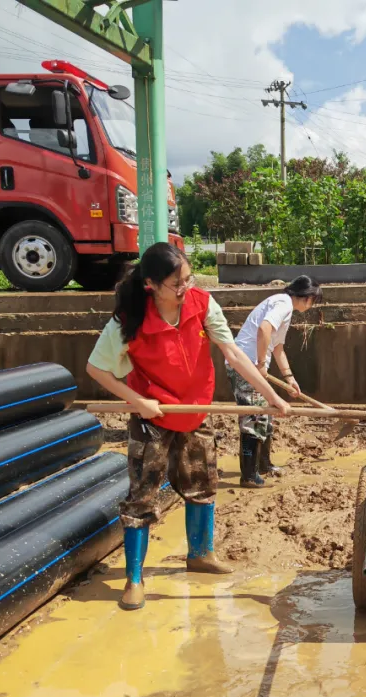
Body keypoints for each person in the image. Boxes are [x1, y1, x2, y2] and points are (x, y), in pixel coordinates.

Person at [86, 243, 289, 611]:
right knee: (142, 494)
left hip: (195, 410)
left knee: (202, 483)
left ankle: (200, 554)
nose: (185, 288)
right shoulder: (128, 320)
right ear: (150, 284)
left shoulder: (202, 304)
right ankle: (134, 579)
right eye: (176, 283)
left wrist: (268, 396)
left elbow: (233, 353)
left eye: (188, 278)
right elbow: (96, 369)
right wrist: (138, 402)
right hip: (153, 417)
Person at [228, 276, 323, 488]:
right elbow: (263, 329)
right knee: (254, 417)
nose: (312, 305)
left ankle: (264, 465)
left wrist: (290, 378)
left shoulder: (284, 308)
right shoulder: (282, 304)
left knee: (267, 415)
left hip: (253, 365)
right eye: (314, 301)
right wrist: (261, 363)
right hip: (246, 366)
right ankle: (249, 476)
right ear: (308, 298)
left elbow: (278, 348)